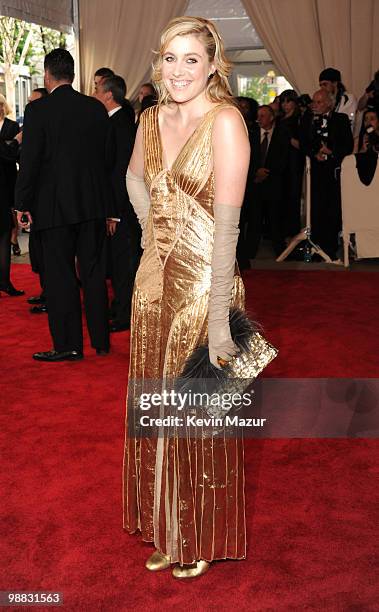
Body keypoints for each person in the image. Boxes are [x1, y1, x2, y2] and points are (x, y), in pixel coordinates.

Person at [123, 16, 253, 579]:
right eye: (170, 58)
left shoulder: (226, 122)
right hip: (153, 285)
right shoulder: (149, 119)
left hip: (206, 288)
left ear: (213, 65)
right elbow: (133, 179)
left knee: (197, 419)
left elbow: (228, 231)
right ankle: (166, 525)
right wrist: (156, 230)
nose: (178, 71)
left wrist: (222, 319)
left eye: (191, 60)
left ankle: (196, 531)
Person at [15, 48, 116, 361]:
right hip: (93, 205)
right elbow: (107, 160)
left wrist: (21, 203)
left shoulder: (38, 111)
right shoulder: (95, 109)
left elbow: (29, 161)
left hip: (55, 207)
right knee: (94, 272)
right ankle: (101, 340)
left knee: (60, 277)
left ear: (47, 75)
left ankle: (69, 345)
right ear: (73, 75)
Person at [94, 74, 140, 332]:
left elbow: (121, 171)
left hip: (122, 207)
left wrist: (114, 213)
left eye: (98, 89)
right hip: (118, 204)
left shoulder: (121, 124)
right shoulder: (117, 120)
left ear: (109, 95)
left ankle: (125, 314)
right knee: (119, 261)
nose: (95, 93)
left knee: (124, 262)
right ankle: (121, 306)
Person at [299, 88, 354, 260]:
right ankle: (316, 247)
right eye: (314, 102)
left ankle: (330, 248)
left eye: (319, 102)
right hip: (314, 171)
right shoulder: (307, 119)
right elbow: (302, 142)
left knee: (333, 209)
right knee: (315, 209)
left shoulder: (341, 119)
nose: (315, 105)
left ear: (329, 103)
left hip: (334, 172)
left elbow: (348, 145)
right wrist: (315, 152)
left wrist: (331, 151)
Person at [246, 104, 289, 258]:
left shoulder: (282, 134)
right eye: (258, 115)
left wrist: (267, 172)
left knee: (275, 219)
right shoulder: (251, 134)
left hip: (274, 183)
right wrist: (255, 172)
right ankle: (250, 252)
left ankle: (280, 252)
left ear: (271, 118)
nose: (259, 119)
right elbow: (247, 157)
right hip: (255, 183)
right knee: (254, 220)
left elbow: (284, 158)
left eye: (263, 116)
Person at [25, 87, 50, 314]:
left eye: (33, 101)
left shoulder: (43, 122)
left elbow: (30, 164)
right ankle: (46, 291)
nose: (29, 105)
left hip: (47, 204)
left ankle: (49, 295)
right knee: (38, 252)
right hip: (38, 202)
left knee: (46, 254)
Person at [0, 94, 24, 297]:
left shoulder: (10, 124)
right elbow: (7, 155)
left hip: (6, 185)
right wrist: (16, 141)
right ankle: (4, 282)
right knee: (3, 234)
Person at [279, 90, 305, 238]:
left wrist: (290, 140)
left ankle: (293, 232)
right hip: (282, 161)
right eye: (283, 102)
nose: (285, 105)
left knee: (293, 197)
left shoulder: (299, 119)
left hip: (294, 161)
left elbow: (302, 143)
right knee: (283, 198)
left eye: (288, 101)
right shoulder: (280, 119)